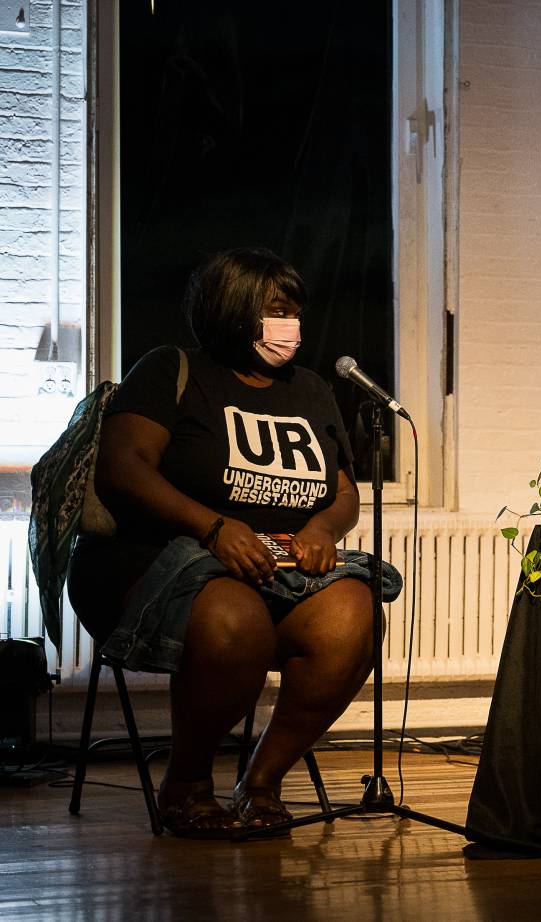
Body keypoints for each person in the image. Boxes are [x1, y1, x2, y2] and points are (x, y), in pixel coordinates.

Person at [69, 247, 397, 838]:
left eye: (294, 310)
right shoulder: (171, 369)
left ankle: (263, 780)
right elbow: (123, 468)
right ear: (233, 311)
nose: (289, 325)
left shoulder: (312, 391)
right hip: (153, 562)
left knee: (354, 614)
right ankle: (188, 785)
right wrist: (214, 527)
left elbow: (343, 491)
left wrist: (322, 529)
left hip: (276, 566)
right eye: (275, 310)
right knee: (235, 616)